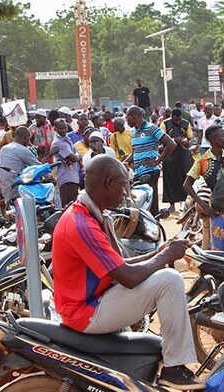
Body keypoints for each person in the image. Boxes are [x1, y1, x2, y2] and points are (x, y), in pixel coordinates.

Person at [52, 155, 204, 390]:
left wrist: (161, 251)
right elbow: (129, 277)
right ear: (108, 182)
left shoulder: (89, 214)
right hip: (85, 312)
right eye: (124, 185)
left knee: (163, 277)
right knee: (170, 280)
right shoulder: (82, 224)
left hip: (92, 302)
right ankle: (174, 367)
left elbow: (120, 266)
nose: (126, 193)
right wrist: (164, 257)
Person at [160, 109, 193, 214]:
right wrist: (174, 140)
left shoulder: (186, 123)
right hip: (169, 155)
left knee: (184, 177)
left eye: (179, 120)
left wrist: (186, 142)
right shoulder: (164, 124)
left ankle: (183, 203)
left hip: (183, 155)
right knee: (170, 178)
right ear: (172, 117)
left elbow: (190, 138)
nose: (178, 122)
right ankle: (171, 204)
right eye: (176, 120)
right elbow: (161, 138)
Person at [0, 126, 41, 205]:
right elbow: (38, 166)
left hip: (5, 190)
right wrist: (50, 177)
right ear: (25, 138)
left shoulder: (4, 149)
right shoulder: (23, 149)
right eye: (28, 139)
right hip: (18, 190)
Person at [51, 119, 82, 207]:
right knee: (69, 207)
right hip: (66, 178)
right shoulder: (58, 143)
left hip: (73, 176)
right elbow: (74, 157)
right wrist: (76, 157)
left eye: (65, 128)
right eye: (61, 128)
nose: (64, 130)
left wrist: (76, 157)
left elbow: (78, 155)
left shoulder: (67, 139)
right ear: (55, 129)